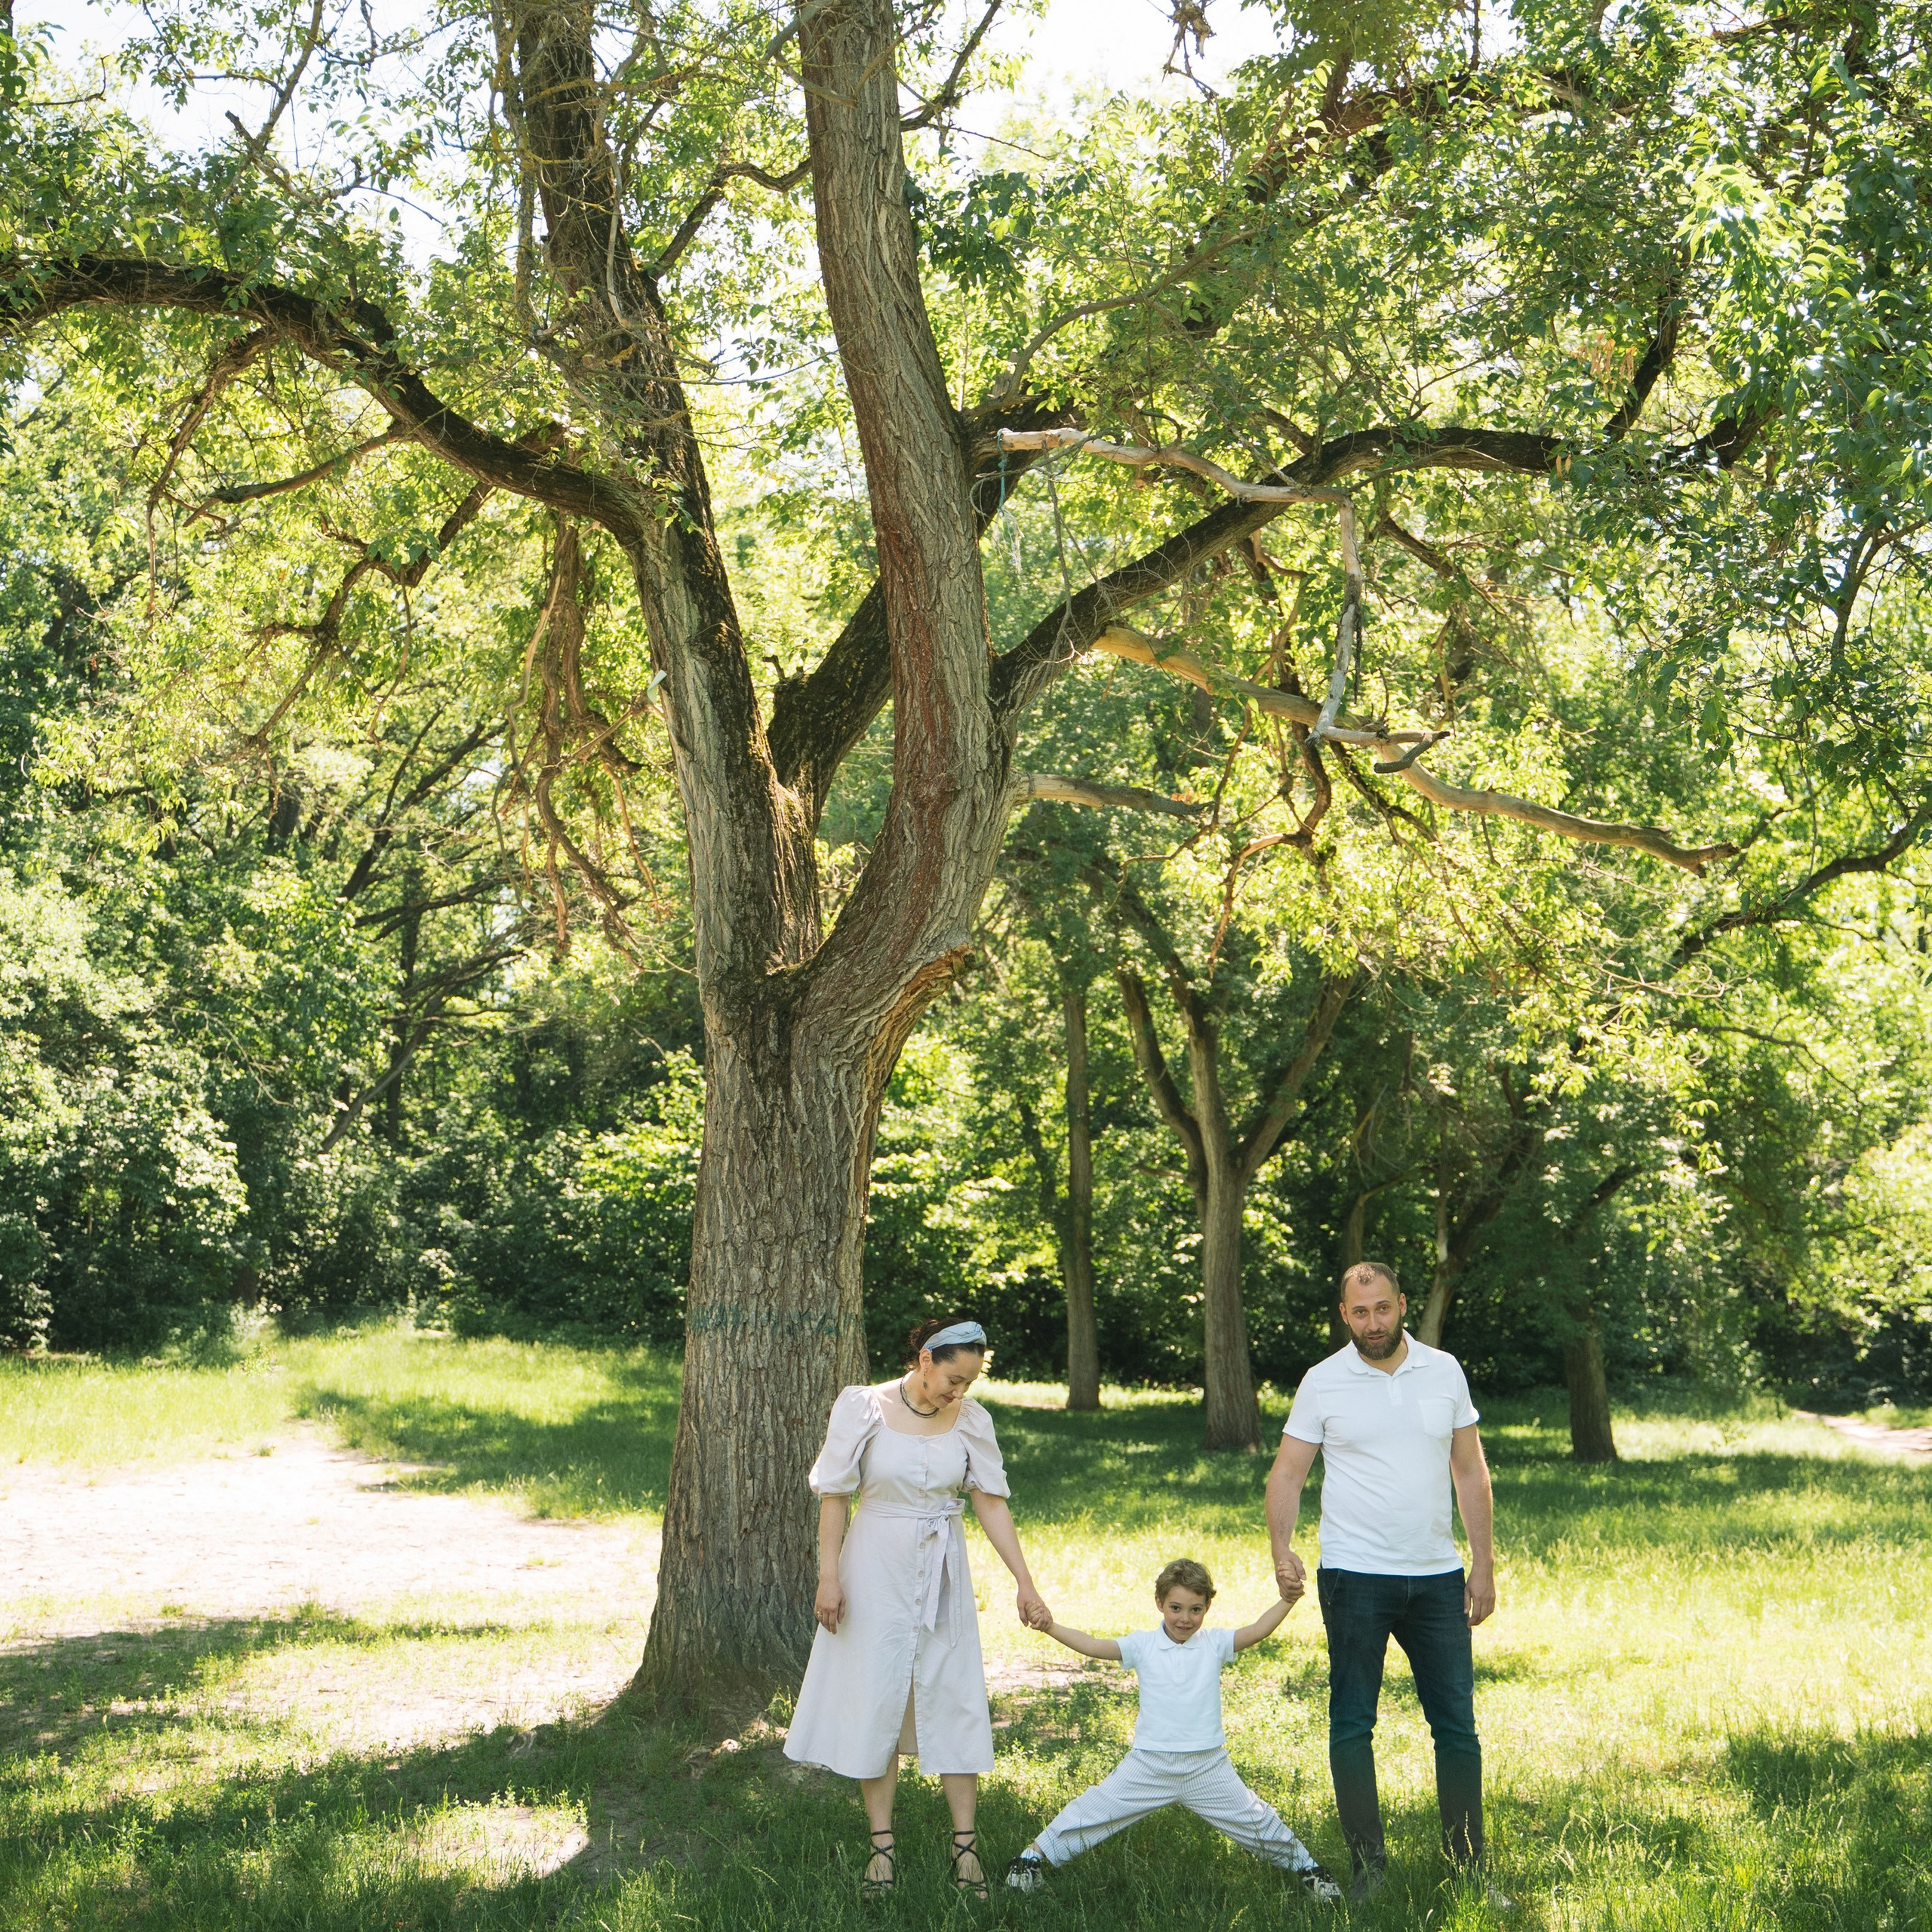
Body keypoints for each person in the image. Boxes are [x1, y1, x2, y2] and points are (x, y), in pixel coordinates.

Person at [784, 1316, 1051, 1898]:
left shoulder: (972, 1420)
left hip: (943, 1569)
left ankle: (966, 1849)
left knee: (954, 1694)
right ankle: (881, 1848)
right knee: (876, 1696)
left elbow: (991, 1503)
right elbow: (835, 1496)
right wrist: (829, 1578)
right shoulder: (863, 1407)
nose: (960, 1392)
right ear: (926, 1359)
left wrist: (1024, 1582)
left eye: (970, 1382)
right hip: (873, 1564)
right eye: (954, 1379)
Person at [1265, 1261, 1503, 1907]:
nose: (1373, 1323)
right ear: (1345, 1315)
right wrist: (1282, 1547)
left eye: (1383, 1309)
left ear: (1401, 1304)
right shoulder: (1323, 1381)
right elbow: (1287, 1473)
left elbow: (1469, 1470)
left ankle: (1468, 1869)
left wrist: (1482, 1563)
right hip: (1354, 1577)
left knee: (1457, 1728)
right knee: (1352, 1724)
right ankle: (1368, 1869)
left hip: (1437, 1578)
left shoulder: (1444, 1370)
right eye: (1360, 1312)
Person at [1004, 1556, 1343, 1904]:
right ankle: (1030, 1861)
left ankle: (1309, 1870)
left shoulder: (1214, 1643)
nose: (1185, 1618)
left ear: (1208, 1606)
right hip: (1150, 1762)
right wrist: (1050, 1627)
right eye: (1176, 1608)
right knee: (1094, 1810)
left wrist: (1287, 1600)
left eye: (1196, 1609)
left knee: (1255, 1819)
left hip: (1207, 1764)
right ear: (1160, 1603)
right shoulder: (1143, 1645)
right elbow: (1093, 1644)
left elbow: (1257, 1630)